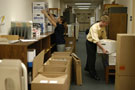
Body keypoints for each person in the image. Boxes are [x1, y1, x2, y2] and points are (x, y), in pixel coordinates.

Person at [85, 15, 110, 80]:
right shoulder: (94, 28)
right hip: (90, 42)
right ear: (102, 21)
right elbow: (96, 41)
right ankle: (92, 74)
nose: (107, 25)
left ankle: (87, 67)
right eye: (106, 23)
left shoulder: (103, 27)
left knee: (90, 56)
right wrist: (103, 49)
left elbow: (104, 37)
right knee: (92, 57)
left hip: (95, 42)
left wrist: (108, 44)